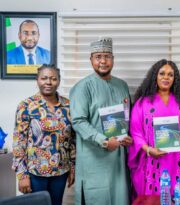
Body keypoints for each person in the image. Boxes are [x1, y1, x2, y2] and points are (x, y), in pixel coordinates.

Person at [69, 37, 133, 205]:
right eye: (98, 56)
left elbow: (126, 116)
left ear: (113, 59)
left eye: (107, 56)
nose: (103, 61)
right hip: (94, 161)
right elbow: (78, 121)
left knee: (121, 198)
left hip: (118, 161)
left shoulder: (122, 85)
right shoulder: (83, 87)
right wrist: (103, 141)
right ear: (91, 60)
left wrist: (127, 137)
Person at [128, 59, 180, 197]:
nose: (166, 77)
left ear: (174, 78)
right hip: (152, 160)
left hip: (178, 160)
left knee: (177, 195)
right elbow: (136, 132)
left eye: (170, 75)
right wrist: (148, 150)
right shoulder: (142, 103)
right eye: (162, 73)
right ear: (155, 77)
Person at [12, 64, 75, 205]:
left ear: (58, 81)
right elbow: (19, 142)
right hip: (35, 172)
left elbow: (72, 140)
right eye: (44, 78)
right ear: (37, 80)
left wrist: (72, 168)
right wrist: (22, 175)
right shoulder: (26, 106)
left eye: (53, 78)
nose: (48, 82)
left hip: (61, 172)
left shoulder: (68, 105)